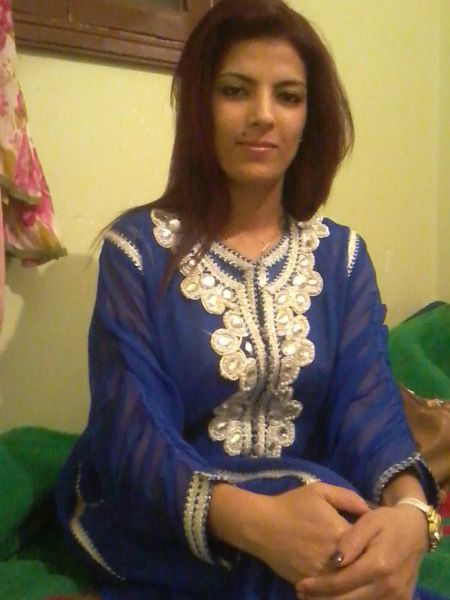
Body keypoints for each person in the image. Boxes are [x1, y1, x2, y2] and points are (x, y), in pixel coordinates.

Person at [56, 1, 444, 599]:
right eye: (236, 90)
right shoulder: (137, 253)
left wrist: (413, 515)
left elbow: (369, 407)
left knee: (346, 547)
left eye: (288, 96)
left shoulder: (341, 258)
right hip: (165, 516)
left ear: (309, 117)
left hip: (310, 509)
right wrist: (262, 526)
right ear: (200, 108)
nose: (263, 115)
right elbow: (132, 437)